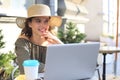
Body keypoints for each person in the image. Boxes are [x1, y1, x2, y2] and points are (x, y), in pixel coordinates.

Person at [15, 4, 63, 74]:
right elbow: (25, 68)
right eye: (38, 21)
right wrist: (54, 68)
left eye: (46, 21)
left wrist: (58, 42)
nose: (43, 25)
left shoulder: (53, 42)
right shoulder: (22, 42)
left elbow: (68, 63)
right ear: (29, 24)